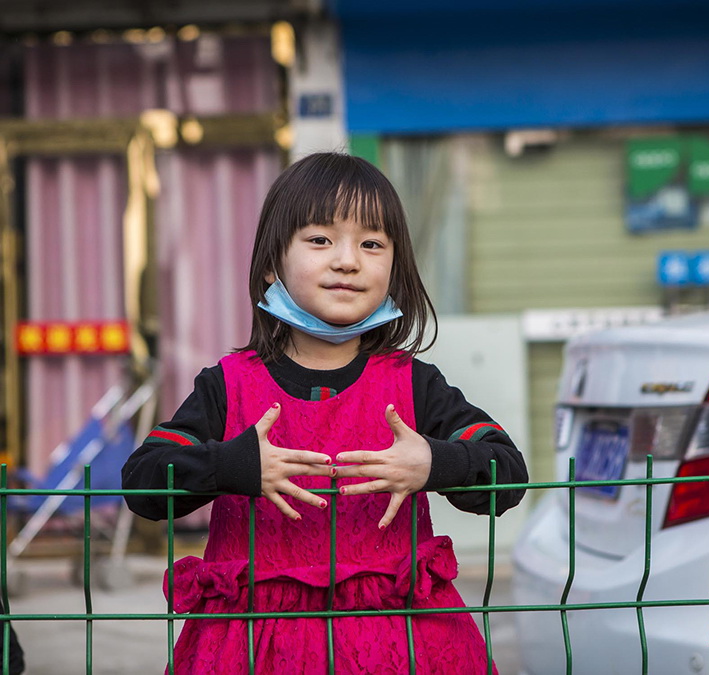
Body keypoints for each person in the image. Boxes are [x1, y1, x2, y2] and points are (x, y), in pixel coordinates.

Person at [121, 152, 527, 674]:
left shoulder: (414, 384)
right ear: (271, 263)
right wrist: (232, 466)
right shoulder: (228, 385)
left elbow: (507, 472)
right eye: (320, 240)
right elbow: (144, 481)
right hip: (252, 649)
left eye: (372, 244)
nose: (347, 261)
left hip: (405, 647)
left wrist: (435, 464)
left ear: (394, 267)